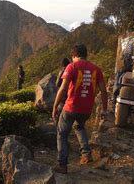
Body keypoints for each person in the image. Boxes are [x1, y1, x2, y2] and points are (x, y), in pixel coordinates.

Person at [52, 44, 108, 174]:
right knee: (79, 127)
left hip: (71, 107)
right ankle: (86, 153)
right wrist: (104, 109)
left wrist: (55, 106)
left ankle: (62, 165)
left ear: (74, 55)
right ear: (86, 55)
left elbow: (63, 88)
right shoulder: (96, 69)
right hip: (87, 109)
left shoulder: (71, 67)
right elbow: (104, 91)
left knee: (62, 134)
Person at [55, 58, 71, 122]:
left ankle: (58, 128)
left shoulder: (62, 71)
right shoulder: (73, 69)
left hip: (63, 98)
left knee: (59, 117)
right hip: (71, 97)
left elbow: (57, 84)